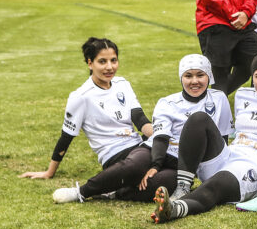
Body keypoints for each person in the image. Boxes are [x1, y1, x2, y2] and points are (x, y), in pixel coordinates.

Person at [150, 53, 257, 223]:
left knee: (215, 186)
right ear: (252, 78)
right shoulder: (242, 95)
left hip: (256, 164)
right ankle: (183, 186)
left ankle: (175, 208)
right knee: (198, 118)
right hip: (230, 153)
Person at [20, 37, 155, 203]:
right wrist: (49, 172)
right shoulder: (81, 96)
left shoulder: (122, 84)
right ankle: (81, 192)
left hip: (137, 146)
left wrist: (160, 137)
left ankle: (115, 191)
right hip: (115, 156)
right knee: (138, 164)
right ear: (90, 63)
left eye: (113, 60)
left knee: (168, 179)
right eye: (102, 61)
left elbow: (140, 119)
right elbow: (66, 137)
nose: (109, 67)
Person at [139, 54, 233, 202]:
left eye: (200, 75)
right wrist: (156, 165)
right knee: (154, 183)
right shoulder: (168, 102)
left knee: (199, 118)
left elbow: (223, 138)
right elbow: (161, 137)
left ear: (209, 76)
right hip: (174, 160)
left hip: (208, 161)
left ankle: (183, 185)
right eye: (188, 76)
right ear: (181, 78)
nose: (194, 81)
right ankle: (115, 192)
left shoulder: (219, 98)